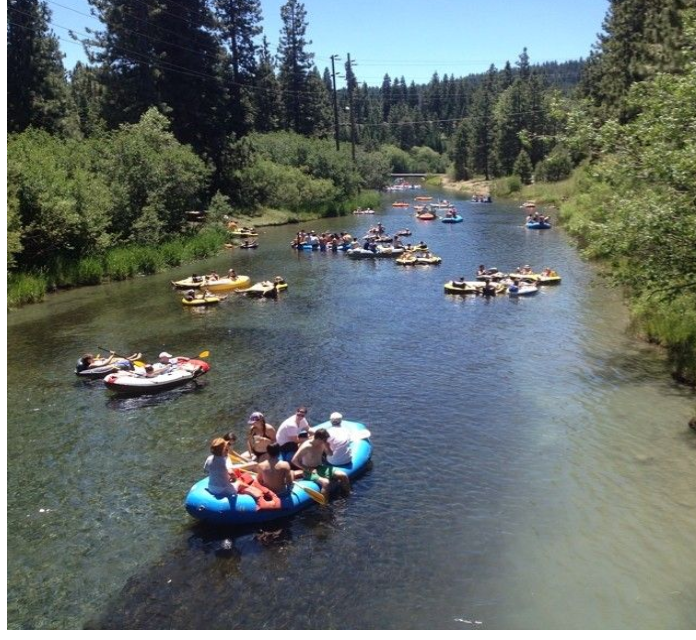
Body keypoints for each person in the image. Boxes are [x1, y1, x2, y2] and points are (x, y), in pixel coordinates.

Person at [291, 428, 349, 498]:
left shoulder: (323, 444)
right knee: (326, 483)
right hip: (309, 471)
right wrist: (307, 469)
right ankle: (324, 507)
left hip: (320, 467)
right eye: (324, 440)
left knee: (343, 475)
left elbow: (330, 454)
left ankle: (346, 496)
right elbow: (294, 460)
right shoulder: (306, 446)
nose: (325, 441)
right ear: (318, 439)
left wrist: (327, 446)